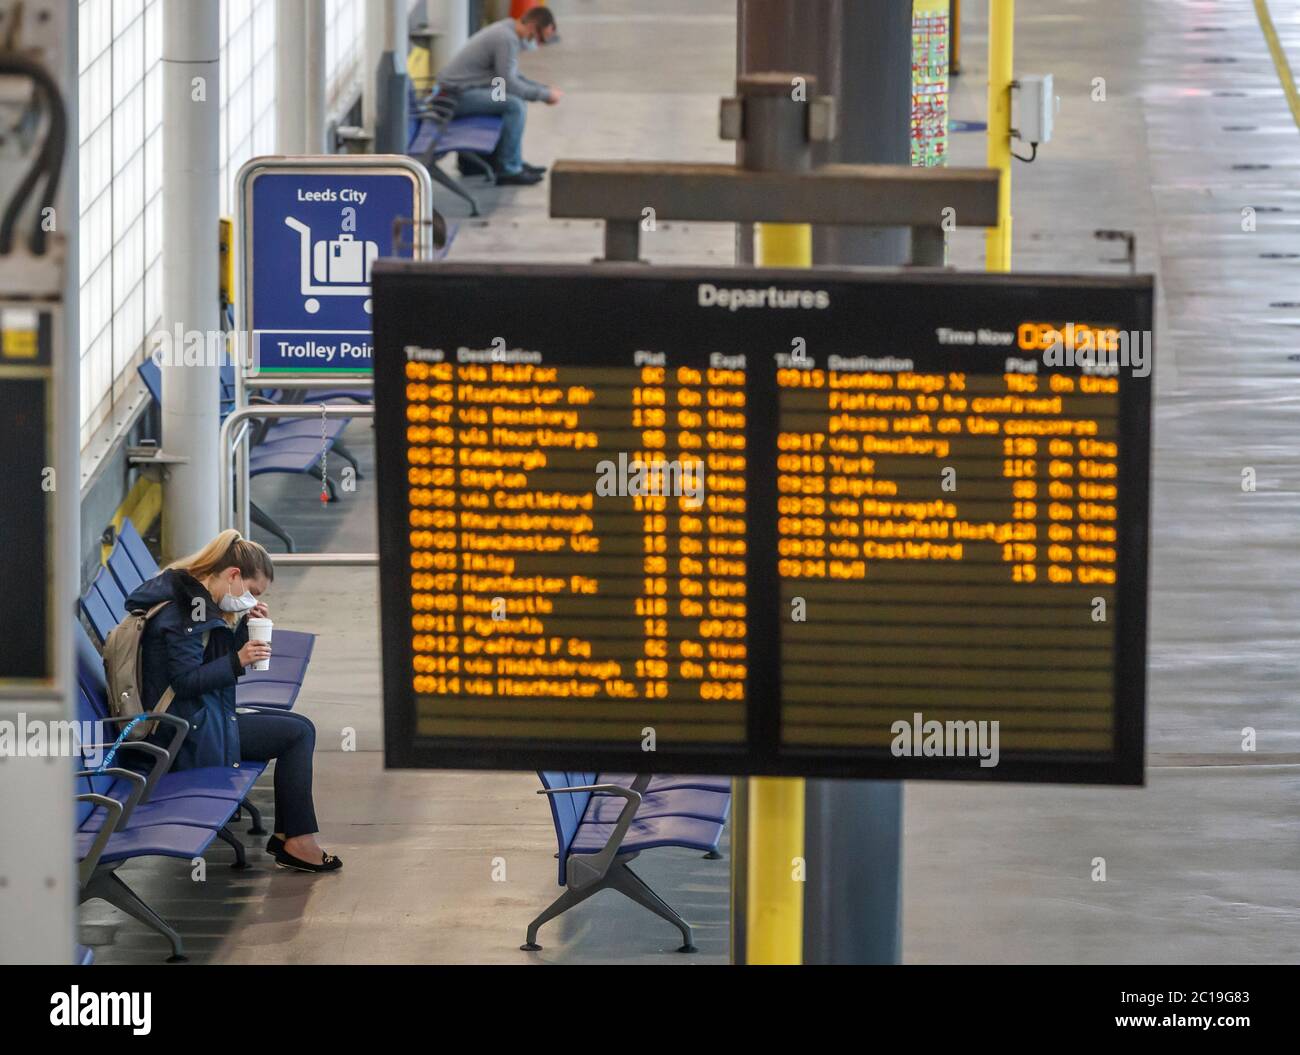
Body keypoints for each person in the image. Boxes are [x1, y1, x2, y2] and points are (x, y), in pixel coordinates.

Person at [124, 529, 341, 873]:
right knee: (297, 734)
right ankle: (296, 842)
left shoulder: (193, 601)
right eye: (252, 592)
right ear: (233, 575)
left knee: (299, 728)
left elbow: (204, 663)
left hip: (197, 720)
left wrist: (242, 629)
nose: (253, 601)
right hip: (182, 735)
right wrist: (238, 659)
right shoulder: (185, 613)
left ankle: (290, 836)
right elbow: (185, 682)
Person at [435, 6, 562, 186]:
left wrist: (543, 88)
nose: (538, 44)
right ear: (533, 26)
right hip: (454, 97)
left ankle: (509, 160)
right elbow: (509, 84)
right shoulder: (506, 38)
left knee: (511, 102)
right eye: (540, 37)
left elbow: (511, 78)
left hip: (465, 90)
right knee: (514, 106)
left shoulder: (507, 31)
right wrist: (544, 95)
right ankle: (509, 168)